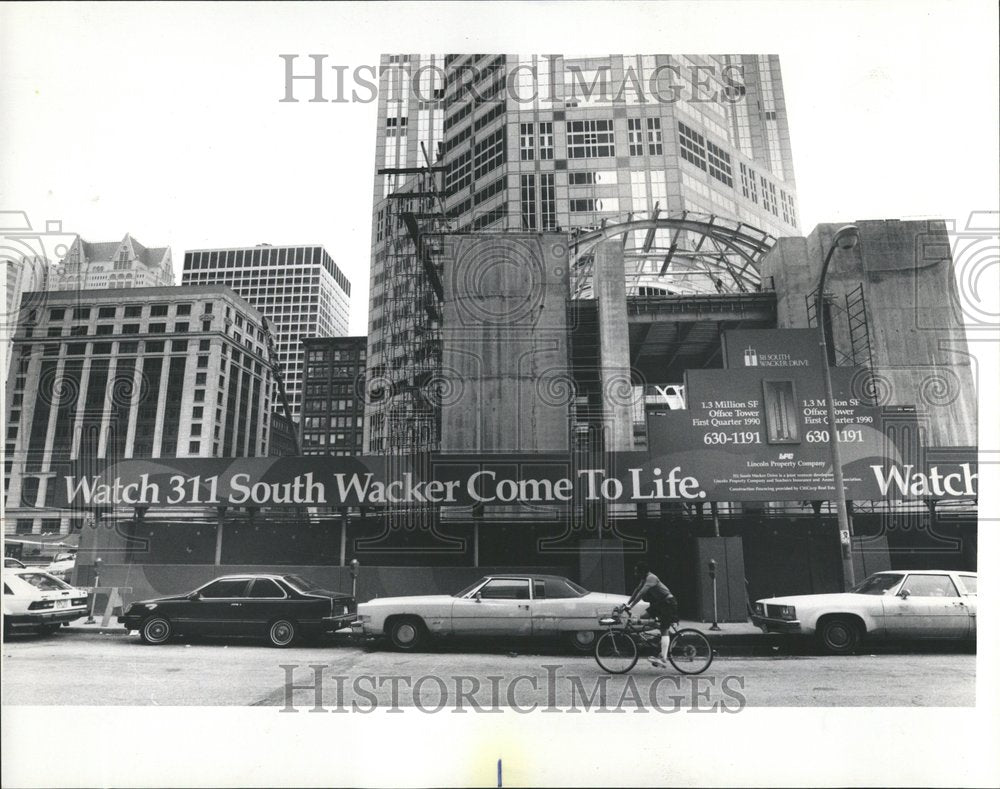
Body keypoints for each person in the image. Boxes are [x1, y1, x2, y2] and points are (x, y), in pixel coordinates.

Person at [623, 560, 678, 668]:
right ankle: (665, 633)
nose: (635, 574)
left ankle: (663, 658)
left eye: (636, 572)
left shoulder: (651, 578)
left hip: (668, 603)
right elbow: (637, 590)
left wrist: (631, 606)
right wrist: (627, 603)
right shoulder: (644, 578)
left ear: (642, 571)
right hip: (661, 603)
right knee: (643, 617)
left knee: (664, 629)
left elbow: (642, 593)